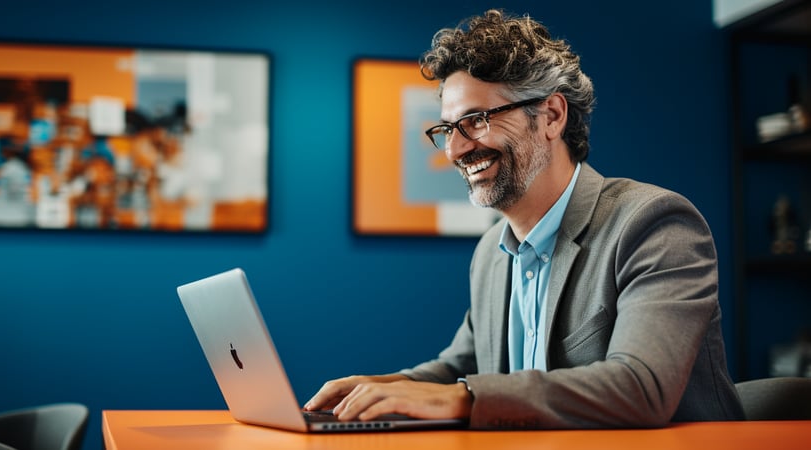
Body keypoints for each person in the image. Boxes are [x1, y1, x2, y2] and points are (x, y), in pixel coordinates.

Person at [304, 9, 745, 428]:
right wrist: (386, 388)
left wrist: (462, 397)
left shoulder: (653, 225)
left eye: (475, 121)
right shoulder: (491, 253)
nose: (455, 151)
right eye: (446, 130)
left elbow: (642, 387)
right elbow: (466, 366)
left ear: (551, 115)